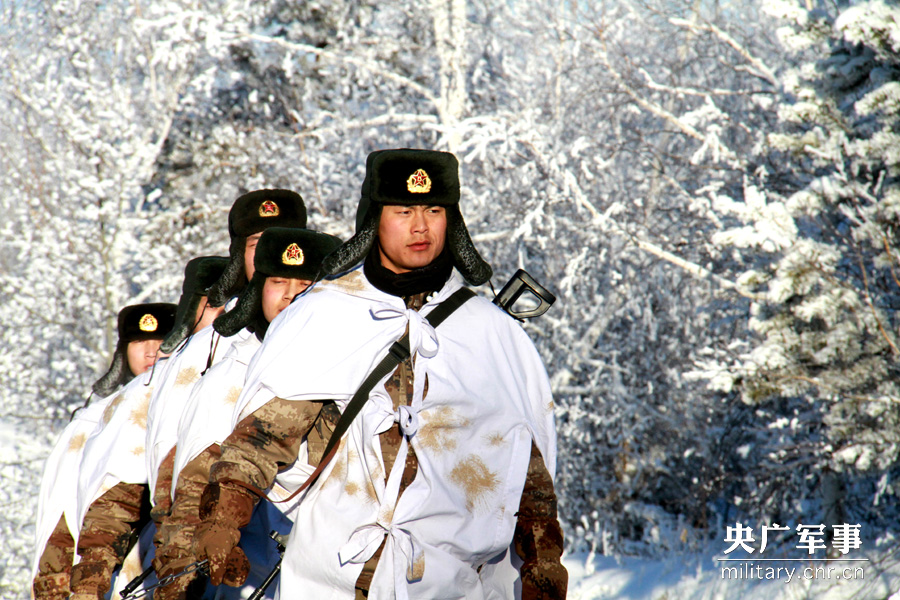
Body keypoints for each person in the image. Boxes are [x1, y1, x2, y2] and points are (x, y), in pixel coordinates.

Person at [194, 149, 567, 599]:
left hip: (452, 584)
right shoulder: (323, 314)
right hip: (335, 578)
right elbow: (262, 438)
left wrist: (543, 559)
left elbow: (519, 460)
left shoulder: (490, 332)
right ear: (375, 217)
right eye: (403, 211)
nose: (420, 226)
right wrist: (223, 520)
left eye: (434, 210)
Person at [151, 227, 342, 600]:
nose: (291, 294)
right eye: (279, 281)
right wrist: (184, 566)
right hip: (259, 572)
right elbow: (200, 475)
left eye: (305, 282)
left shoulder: (356, 351)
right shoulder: (234, 371)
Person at [68, 258, 228, 600]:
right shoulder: (144, 394)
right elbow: (112, 505)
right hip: (160, 569)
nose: (152, 350)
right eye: (212, 303)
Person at [31, 303, 175, 600]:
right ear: (123, 350)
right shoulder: (88, 423)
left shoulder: (182, 412)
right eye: (138, 342)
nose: (151, 351)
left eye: (161, 341)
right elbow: (62, 513)